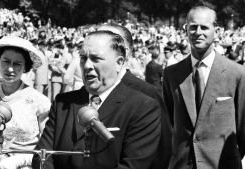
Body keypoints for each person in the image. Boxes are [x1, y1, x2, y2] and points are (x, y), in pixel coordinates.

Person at [32, 30, 161, 169]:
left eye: (95, 59)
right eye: (83, 58)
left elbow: (133, 164)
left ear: (119, 63)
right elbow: (42, 155)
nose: (87, 65)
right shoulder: (63, 103)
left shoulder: (143, 107)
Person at [162, 5, 245, 169]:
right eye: (193, 27)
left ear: (217, 30)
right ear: (186, 30)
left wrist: (230, 156)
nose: (198, 32)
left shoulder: (238, 74)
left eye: (204, 27)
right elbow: (170, 122)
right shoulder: (171, 74)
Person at [0, 36, 51, 169]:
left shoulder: (39, 102)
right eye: (6, 61)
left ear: (25, 67)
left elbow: (48, 148)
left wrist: (19, 161)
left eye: (17, 64)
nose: (10, 69)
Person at [97, 23, 172, 169]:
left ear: (127, 53)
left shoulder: (147, 94)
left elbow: (163, 149)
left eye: (110, 43)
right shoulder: (77, 97)